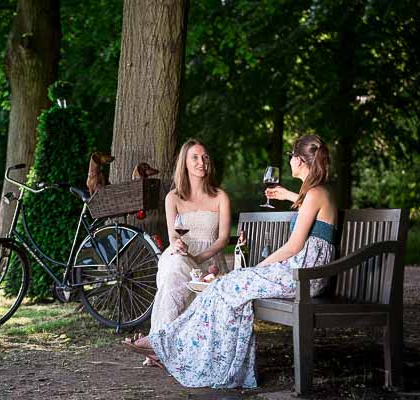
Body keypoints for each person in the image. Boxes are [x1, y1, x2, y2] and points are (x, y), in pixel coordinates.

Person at [124, 134, 336, 389]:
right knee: (223, 286)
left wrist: (259, 268)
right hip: (301, 272)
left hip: (304, 276)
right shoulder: (315, 193)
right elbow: (308, 209)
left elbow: (294, 245)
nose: (289, 160)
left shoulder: (315, 193)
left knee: (226, 285)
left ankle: (168, 344)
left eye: (292, 156)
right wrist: (288, 195)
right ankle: (166, 341)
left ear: (301, 161)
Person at [139, 139, 230, 366]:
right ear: (185, 164)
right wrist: (180, 248)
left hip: (209, 260)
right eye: (195, 158)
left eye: (205, 157)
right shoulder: (173, 197)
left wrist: (196, 259)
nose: (202, 162)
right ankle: (161, 342)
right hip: (181, 255)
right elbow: (174, 236)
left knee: (175, 272)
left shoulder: (220, 197)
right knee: (175, 267)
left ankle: (157, 342)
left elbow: (223, 239)